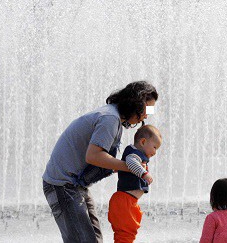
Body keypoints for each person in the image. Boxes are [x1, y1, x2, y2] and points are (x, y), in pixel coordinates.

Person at [42, 81, 158, 243]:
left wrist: (126, 167)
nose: (147, 116)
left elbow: (97, 158)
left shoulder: (112, 117)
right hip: (62, 184)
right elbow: (94, 156)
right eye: (147, 110)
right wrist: (130, 168)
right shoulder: (110, 119)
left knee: (94, 239)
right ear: (136, 104)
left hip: (73, 185)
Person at [108, 124, 162, 243]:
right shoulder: (133, 154)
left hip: (128, 201)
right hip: (125, 201)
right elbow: (131, 162)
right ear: (143, 142)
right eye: (154, 147)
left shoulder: (136, 154)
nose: (155, 152)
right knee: (125, 234)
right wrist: (144, 174)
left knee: (128, 233)